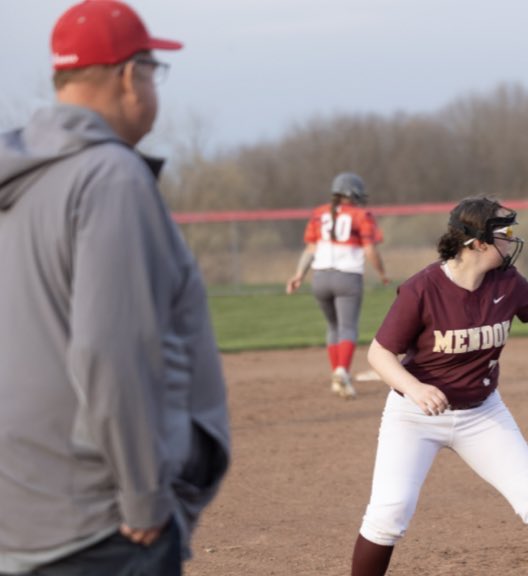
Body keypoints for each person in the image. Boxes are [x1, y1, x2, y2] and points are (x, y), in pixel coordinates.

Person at [0, 2, 230, 575]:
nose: (153, 86)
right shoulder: (111, 175)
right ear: (130, 76)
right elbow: (112, 349)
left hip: (23, 507)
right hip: (99, 524)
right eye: (152, 71)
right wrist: (143, 494)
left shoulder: (18, 180)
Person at [350, 196, 528, 576]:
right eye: (505, 232)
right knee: (389, 515)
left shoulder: (505, 281)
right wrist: (414, 388)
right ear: (476, 242)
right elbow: (380, 354)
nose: (512, 239)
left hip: (482, 413)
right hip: (415, 416)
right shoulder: (422, 289)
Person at [286, 172, 389, 399]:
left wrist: (298, 275)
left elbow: (310, 250)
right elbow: (370, 250)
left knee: (333, 327)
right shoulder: (361, 215)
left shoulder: (319, 214)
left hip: (320, 278)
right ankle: (342, 372)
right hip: (347, 278)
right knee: (348, 327)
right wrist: (382, 273)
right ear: (353, 194)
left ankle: (336, 373)